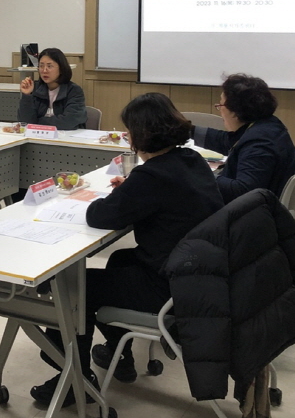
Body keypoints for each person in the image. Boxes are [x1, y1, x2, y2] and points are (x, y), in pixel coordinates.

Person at [30, 93, 224, 406]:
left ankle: (76, 379)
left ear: (139, 135)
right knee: (120, 258)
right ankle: (118, 353)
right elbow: (157, 200)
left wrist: (125, 193)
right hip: (200, 274)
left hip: (171, 285)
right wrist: (132, 191)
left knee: (77, 288)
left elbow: (99, 216)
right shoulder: (191, 159)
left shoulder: (151, 176)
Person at [193, 73, 295, 203]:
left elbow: (243, 190)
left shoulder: (260, 143)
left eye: (221, 106)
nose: (220, 110)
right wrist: (188, 131)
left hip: (254, 211)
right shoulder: (267, 125)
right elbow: (228, 141)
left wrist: (198, 174)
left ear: (235, 111)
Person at [17, 47, 87, 130]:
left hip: (67, 136)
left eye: (49, 66)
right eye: (41, 66)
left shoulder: (74, 90)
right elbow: (25, 122)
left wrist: (37, 122)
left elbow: (68, 121)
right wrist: (27, 95)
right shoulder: (35, 88)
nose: (44, 70)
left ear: (61, 69)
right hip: (38, 135)